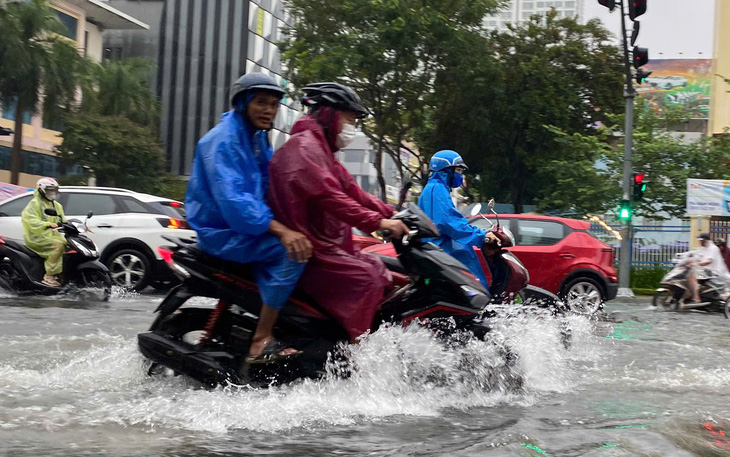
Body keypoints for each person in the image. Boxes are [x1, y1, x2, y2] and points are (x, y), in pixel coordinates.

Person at [267, 82, 409, 343]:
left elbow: (353, 191)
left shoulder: (322, 150)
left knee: (382, 272)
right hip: (311, 248)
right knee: (367, 279)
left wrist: (395, 212)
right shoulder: (304, 148)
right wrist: (381, 222)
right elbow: (333, 198)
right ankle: (354, 353)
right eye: (349, 119)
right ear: (327, 114)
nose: (351, 128)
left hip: (328, 243)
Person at [185, 72, 312, 364]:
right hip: (224, 230)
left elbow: (270, 185)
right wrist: (283, 232)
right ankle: (261, 338)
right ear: (243, 103)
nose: (269, 110)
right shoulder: (223, 141)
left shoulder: (256, 138)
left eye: (274, 104)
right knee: (293, 253)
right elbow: (236, 202)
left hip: (243, 226)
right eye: (261, 103)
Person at [417, 150, 497, 287]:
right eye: (458, 171)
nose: (460, 175)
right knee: (474, 287)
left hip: (443, 248)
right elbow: (448, 222)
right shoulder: (436, 190)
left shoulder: (437, 188)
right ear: (446, 170)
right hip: (442, 250)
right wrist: (482, 236)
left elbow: (453, 220)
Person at [21, 178, 66, 287]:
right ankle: (49, 276)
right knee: (58, 246)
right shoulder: (34, 204)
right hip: (36, 238)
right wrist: (46, 224)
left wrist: (76, 226)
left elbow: (63, 220)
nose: (52, 193)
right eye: (49, 190)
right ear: (41, 190)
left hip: (51, 237)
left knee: (70, 246)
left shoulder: (57, 206)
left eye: (54, 190)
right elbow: (30, 220)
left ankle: (62, 274)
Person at [686, 233, 730, 303]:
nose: (699, 242)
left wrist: (696, 264)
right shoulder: (705, 248)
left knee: (691, 276)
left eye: (700, 240)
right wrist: (689, 261)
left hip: (714, 273)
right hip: (707, 271)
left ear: (704, 241)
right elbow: (699, 257)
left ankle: (696, 298)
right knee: (690, 274)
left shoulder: (712, 248)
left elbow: (709, 261)